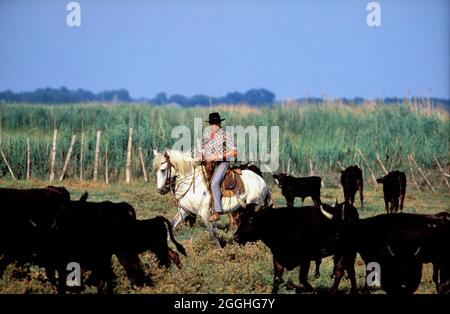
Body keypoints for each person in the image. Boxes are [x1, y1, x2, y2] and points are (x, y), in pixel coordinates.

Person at [200, 112, 237, 222]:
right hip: (208, 164)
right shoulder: (207, 135)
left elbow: (234, 152)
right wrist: (200, 154)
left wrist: (218, 156)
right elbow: (202, 148)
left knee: (214, 183)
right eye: (212, 123)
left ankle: (217, 211)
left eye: (216, 123)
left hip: (222, 163)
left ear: (219, 123)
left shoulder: (225, 135)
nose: (214, 125)